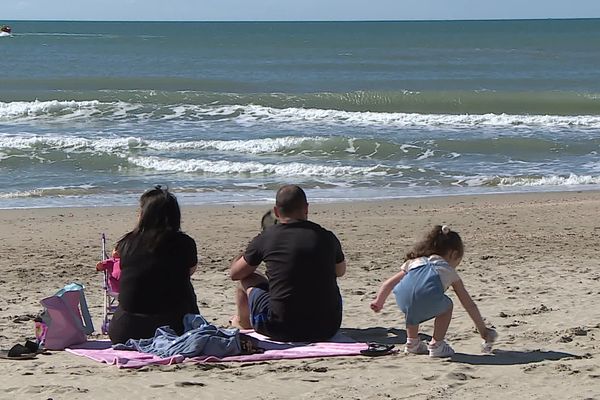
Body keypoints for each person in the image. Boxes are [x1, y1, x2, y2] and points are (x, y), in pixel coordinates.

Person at [230, 184, 346, 342]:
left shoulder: (267, 237)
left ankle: (243, 323)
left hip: (280, 328)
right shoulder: (327, 236)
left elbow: (235, 274)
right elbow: (340, 271)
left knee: (247, 279)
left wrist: (248, 252)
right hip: (327, 327)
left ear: (277, 211)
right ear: (306, 208)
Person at [370, 225, 496, 357]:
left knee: (412, 301)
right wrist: (483, 331)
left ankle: (412, 343)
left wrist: (379, 301)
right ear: (453, 254)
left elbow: (388, 283)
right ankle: (437, 344)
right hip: (426, 299)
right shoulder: (448, 270)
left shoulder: (414, 262)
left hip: (402, 300)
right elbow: (468, 304)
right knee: (447, 306)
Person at [107, 186, 200, 344]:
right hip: (174, 329)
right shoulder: (184, 243)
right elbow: (190, 271)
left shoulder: (127, 243)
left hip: (124, 331)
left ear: (143, 215)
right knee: (183, 284)